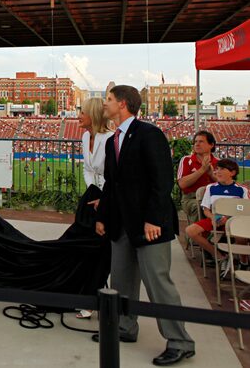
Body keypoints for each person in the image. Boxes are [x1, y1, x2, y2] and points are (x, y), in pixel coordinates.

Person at [95, 85, 195, 365]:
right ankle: (125, 328)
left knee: (158, 284)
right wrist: (103, 215)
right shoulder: (113, 139)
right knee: (122, 281)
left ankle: (180, 341)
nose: (105, 104)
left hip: (150, 225)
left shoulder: (150, 135)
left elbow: (162, 181)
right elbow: (111, 185)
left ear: (123, 104)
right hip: (121, 225)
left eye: (110, 99)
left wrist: (153, 219)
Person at [75, 97, 113, 319]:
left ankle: (92, 301)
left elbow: (113, 174)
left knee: (101, 251)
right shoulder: (84, 136)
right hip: (92, 197)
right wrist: (93, 191)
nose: (79, 115)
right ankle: (89, 294)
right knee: (88, 249)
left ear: (94, 115)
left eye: (83, 112)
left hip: (107, 200)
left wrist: (104, 197)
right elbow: (88, 169)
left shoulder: (109, 139)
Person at [184, 158, 247, 275]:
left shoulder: (241, 190)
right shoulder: (211, 188)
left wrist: (228, 218)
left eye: (222, 169)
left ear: (232, 173)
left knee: (241, 236)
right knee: (190, 231)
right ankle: (220, 256)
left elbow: (242, 209)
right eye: (217, 169)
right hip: (215, 219)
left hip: (233, 221)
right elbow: (206, 209)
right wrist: (213, 217)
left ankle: (244, 261)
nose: (217, 172)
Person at [177, 131, 218, 241]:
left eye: (201, 142)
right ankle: (205, 240)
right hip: (191, 198)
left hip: (214, 199)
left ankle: (219, 239)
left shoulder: (219, 163)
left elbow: (227, 183)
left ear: (211, 145)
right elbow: (182, 184)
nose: (197, 144)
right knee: (200, 207)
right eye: (195, 142)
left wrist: (211, 175)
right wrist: (202, 170)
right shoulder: (186, 160)